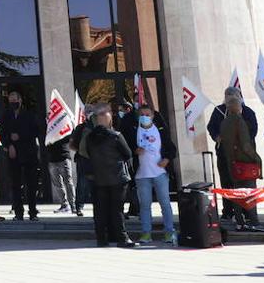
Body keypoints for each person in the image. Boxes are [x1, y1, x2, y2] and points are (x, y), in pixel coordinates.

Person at [84, 104, 135, 248]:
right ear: (108, 118)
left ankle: (102, 238)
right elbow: (128, 154)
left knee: (100, 210)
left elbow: (88, 154)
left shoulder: (90, 137)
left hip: (99, 178)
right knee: (117, 210)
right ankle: (122, 238)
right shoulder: (116, 136)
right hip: (117, 177)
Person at [217, 89, 264, 232]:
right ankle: (254, 222)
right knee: (250, 194)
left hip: (231, 162)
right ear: (238, 108)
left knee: (237, 194)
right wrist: (257, 159)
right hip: (244, 162)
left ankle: (240, 221)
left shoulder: (224, 123)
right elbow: (246, 144)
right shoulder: (240, 121)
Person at [208, 86, 257, 221]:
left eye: (234, 96)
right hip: (225, 155)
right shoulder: (219, 111)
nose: (231, 98)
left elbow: (253, 131)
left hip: (244, 157)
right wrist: (217, 136)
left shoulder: (248, 112)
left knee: (245, 185)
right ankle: (228, 211)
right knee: (227, 183)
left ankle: (248, 213)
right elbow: (211, 127)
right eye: (228, 96)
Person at [132, 105, 176, 244]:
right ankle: (146, 233)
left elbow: (171, 148)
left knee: (165, 203)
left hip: (159, 173)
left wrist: (166, 160)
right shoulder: (134, 130)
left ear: (152, 116)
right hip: (142, 174)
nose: (145, 116)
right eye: (142, 114)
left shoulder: (160, 130)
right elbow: (126, 147)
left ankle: (169, 232)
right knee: (145, 205)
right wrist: (135, 150)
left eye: (148, 114)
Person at [0, 87, 42, 221]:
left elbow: (37, 131)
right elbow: (2, 133)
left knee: (31, 184)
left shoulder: (29, 115)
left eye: (14, 100)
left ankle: (33, 212)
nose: (13, 103)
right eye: (10, 100)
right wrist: (9, 144)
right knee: (15, 184)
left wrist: (20, 136)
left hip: (28, 153)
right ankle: (18, 212)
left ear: (20, 100)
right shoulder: (6, 115)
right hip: (13, 155)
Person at [46, 130, 76, 215]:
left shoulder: (63, 125)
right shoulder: (48, 128)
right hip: (52, 159)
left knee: (68, 182)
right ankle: (64, 204)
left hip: (64, 157)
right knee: (57, 184)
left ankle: (72, 205)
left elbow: (69, 138)